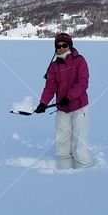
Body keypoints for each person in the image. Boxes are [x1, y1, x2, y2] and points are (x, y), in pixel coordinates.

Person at [35, 33, 92, 169]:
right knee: (62, 141)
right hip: (63, 109)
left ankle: (84, 169)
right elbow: (50, 86)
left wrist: (69, 97)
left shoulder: (79, 61)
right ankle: (65, 169)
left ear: (70, 45)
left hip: (79, 108)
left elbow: (82, 83)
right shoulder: (54, 66)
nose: (61, 48)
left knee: (79, 141)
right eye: (58, 46)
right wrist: (43, 103)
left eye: (64, 45)